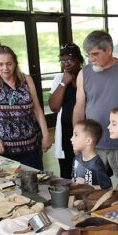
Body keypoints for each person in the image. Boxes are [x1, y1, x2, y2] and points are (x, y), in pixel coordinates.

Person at [72, 30, 118, 183]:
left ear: (109, 49)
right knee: (89, 186)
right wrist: (77, 138)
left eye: (95, 54)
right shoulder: (84, 73)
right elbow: (79, 108)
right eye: (88, 55)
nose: (91, 59)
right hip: (92, 143)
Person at [0, 45, 51, 170]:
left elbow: (37, 109)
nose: (5, 68)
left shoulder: (26, 79)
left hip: (31, 147)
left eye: (9, 63)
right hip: (3, 149)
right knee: (7, 187)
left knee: (34, 185)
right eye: (0, 64)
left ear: (15, 63)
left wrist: (46, 135)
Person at [49, 43, 84, 179]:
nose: (66, 64)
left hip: (84, 131)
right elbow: (54, 107)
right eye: (63, 60)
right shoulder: (59, 79)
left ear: (79, 60)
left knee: (86, 172)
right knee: (67, 173)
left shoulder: (87, 76)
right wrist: (64, 82)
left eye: (70, 60)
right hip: (65, 134)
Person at [70, 119, 112, 189]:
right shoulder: (76, 159)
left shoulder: (96, 164)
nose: (71, 139)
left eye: (76, 135)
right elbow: (73, 179)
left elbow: (108, 187)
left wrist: (86, 186)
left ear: (88, 141)